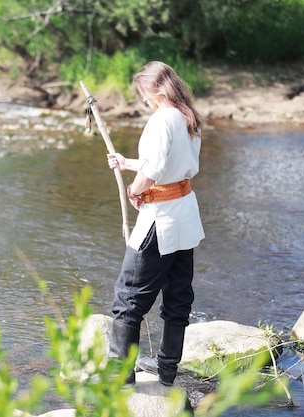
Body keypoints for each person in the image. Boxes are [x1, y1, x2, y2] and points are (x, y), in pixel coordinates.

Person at [106, 61, 205, 386]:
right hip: (185, 216)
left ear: (156, 90)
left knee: (128, 299)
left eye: (144, 93)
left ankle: (121, 379)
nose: (143, 100)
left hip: (160, 220)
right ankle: (166, 372)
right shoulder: (188, 116)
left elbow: (157, 169)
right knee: (177, 298)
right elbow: (175, 166)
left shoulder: (162, 119)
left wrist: (135, 189)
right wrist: (127, 163)